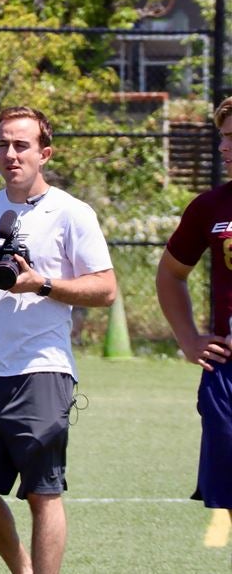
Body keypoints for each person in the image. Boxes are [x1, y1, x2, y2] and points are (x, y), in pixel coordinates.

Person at [0, 106, 118, 574]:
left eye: (21, 145)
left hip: (43, 370)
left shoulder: (72, 213)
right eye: (2, 144)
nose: (10, 154)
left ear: (44, 153)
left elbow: (105, 288)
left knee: (42, 492)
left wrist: (41, 284)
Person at [155, 96, 232, 525]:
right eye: (223, 137)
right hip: (227, 375)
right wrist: (188, 339)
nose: (224, 148)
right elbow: (170, 274)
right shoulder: (210, 207)